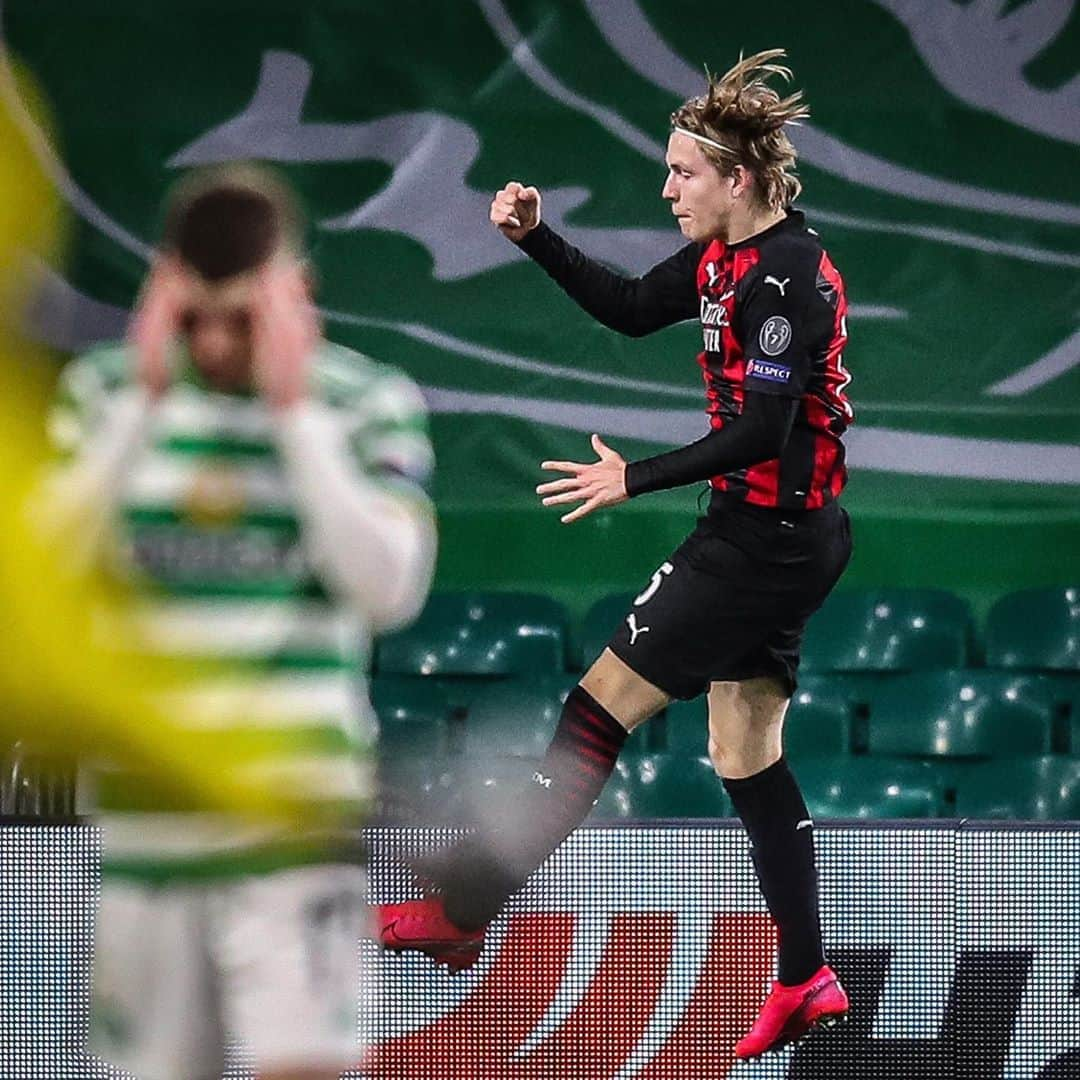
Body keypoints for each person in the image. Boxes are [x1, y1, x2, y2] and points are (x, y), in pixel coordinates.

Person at [378, 50, 854, 1059]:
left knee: (597, 708)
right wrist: (537, 237)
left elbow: (764, 432)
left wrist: (633, 477)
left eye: (683, 172)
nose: (667, 187)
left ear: (740, 178)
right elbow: (634, 307)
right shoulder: (726, 257)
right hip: (784, 536)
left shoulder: (783, 279)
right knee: (742, 751)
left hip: (760, 539)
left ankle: (466, 908)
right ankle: (806, 971)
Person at [44, 165, 437, 1080]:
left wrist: (295, 416)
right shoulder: (103, 397)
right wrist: (139, 407)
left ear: (292, 291)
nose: (216, 342)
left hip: (295, 822)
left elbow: (389, 588)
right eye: (196, 316)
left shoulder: (362, 400)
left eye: (242, 316)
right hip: (147, 824)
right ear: (163, 286)